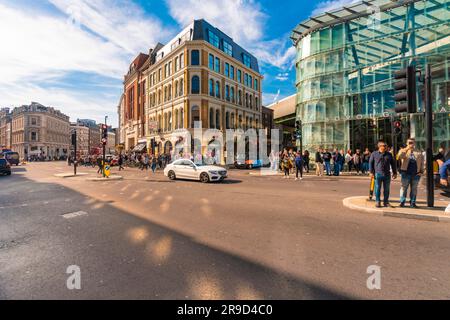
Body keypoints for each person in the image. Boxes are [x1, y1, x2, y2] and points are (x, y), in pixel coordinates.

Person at [397, 138, 424, 208]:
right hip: (405, 173)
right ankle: (402, 202)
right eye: (409, 142)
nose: (411, 144)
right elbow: (400, 156)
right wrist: (406, 149)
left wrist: (421, 171)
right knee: (404, 188)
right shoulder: (403, 150)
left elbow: (422, 163)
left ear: (414, 143)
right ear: (407, 143)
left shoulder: (419, 152)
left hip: (416, 174)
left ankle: (413, 203)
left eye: (412, 143)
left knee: (414, 189)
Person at [369, 140, 397, 208]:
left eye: (386, 146)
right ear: (379, 146)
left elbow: (393, 164)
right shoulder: (374, 154)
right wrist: (371, 172)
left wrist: (394, 172)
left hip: (387, 174)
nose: (386, 147)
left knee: (386, 189)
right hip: (378, 174)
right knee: (377, 188)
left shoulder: (389, 154)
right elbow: (370, 163)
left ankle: (386, 202)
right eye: (384, 146)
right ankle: (377, 201)